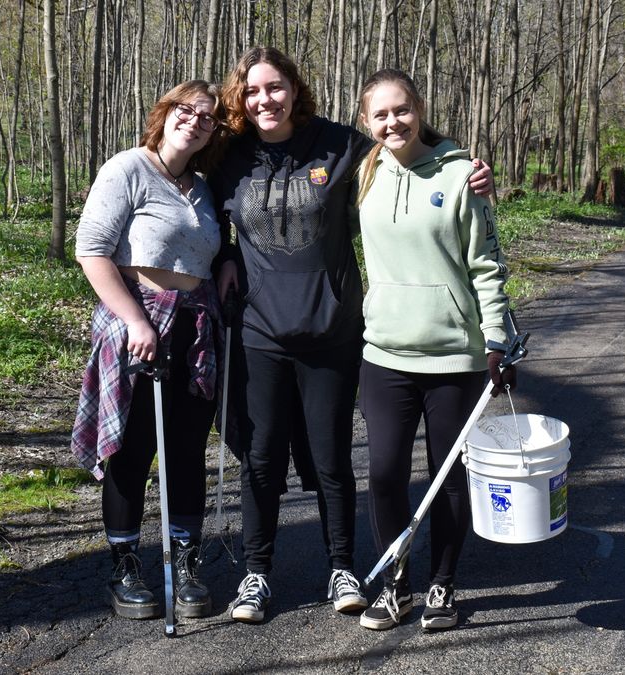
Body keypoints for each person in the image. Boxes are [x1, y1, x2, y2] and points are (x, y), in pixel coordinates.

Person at [208, 47, 494, 624]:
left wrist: (466, 163)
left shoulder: (343, 146)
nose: (267, 99)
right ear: (242, 96)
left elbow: (406, 143)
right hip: (259, 331)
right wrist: (223, 256)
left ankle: (342, 565)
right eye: (255, 90)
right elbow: (197, 212)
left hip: (335, 330)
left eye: (277, 87)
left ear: (295, 89)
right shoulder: (226, 158)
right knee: (260, 459)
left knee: (332, 458)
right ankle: (256, 575)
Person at [352, 69, 516, 631]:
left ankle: (442, 586)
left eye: (401, 110)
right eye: (380, 114)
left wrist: (498, 340)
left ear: (418, 109)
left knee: (447, 478)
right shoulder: (364, 172)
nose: (392, 122)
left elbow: (487, 266)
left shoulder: (462, 174)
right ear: (366, 121)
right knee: (384, 475)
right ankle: (395, 585)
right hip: (384, 354)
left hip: (455, 357)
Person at [70, 80, 227, 621]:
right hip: (134, 325)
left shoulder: (204, 189)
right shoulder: (127, 169)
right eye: (187, 110)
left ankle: (185, 559)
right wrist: (136, 320)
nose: (195, 121)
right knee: (132, 450)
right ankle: (125, 564)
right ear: (165, 113)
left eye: (207, 118)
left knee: (186, 449)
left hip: (195, 330)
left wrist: (224, 270)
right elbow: (91, 251)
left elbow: (213, 252)